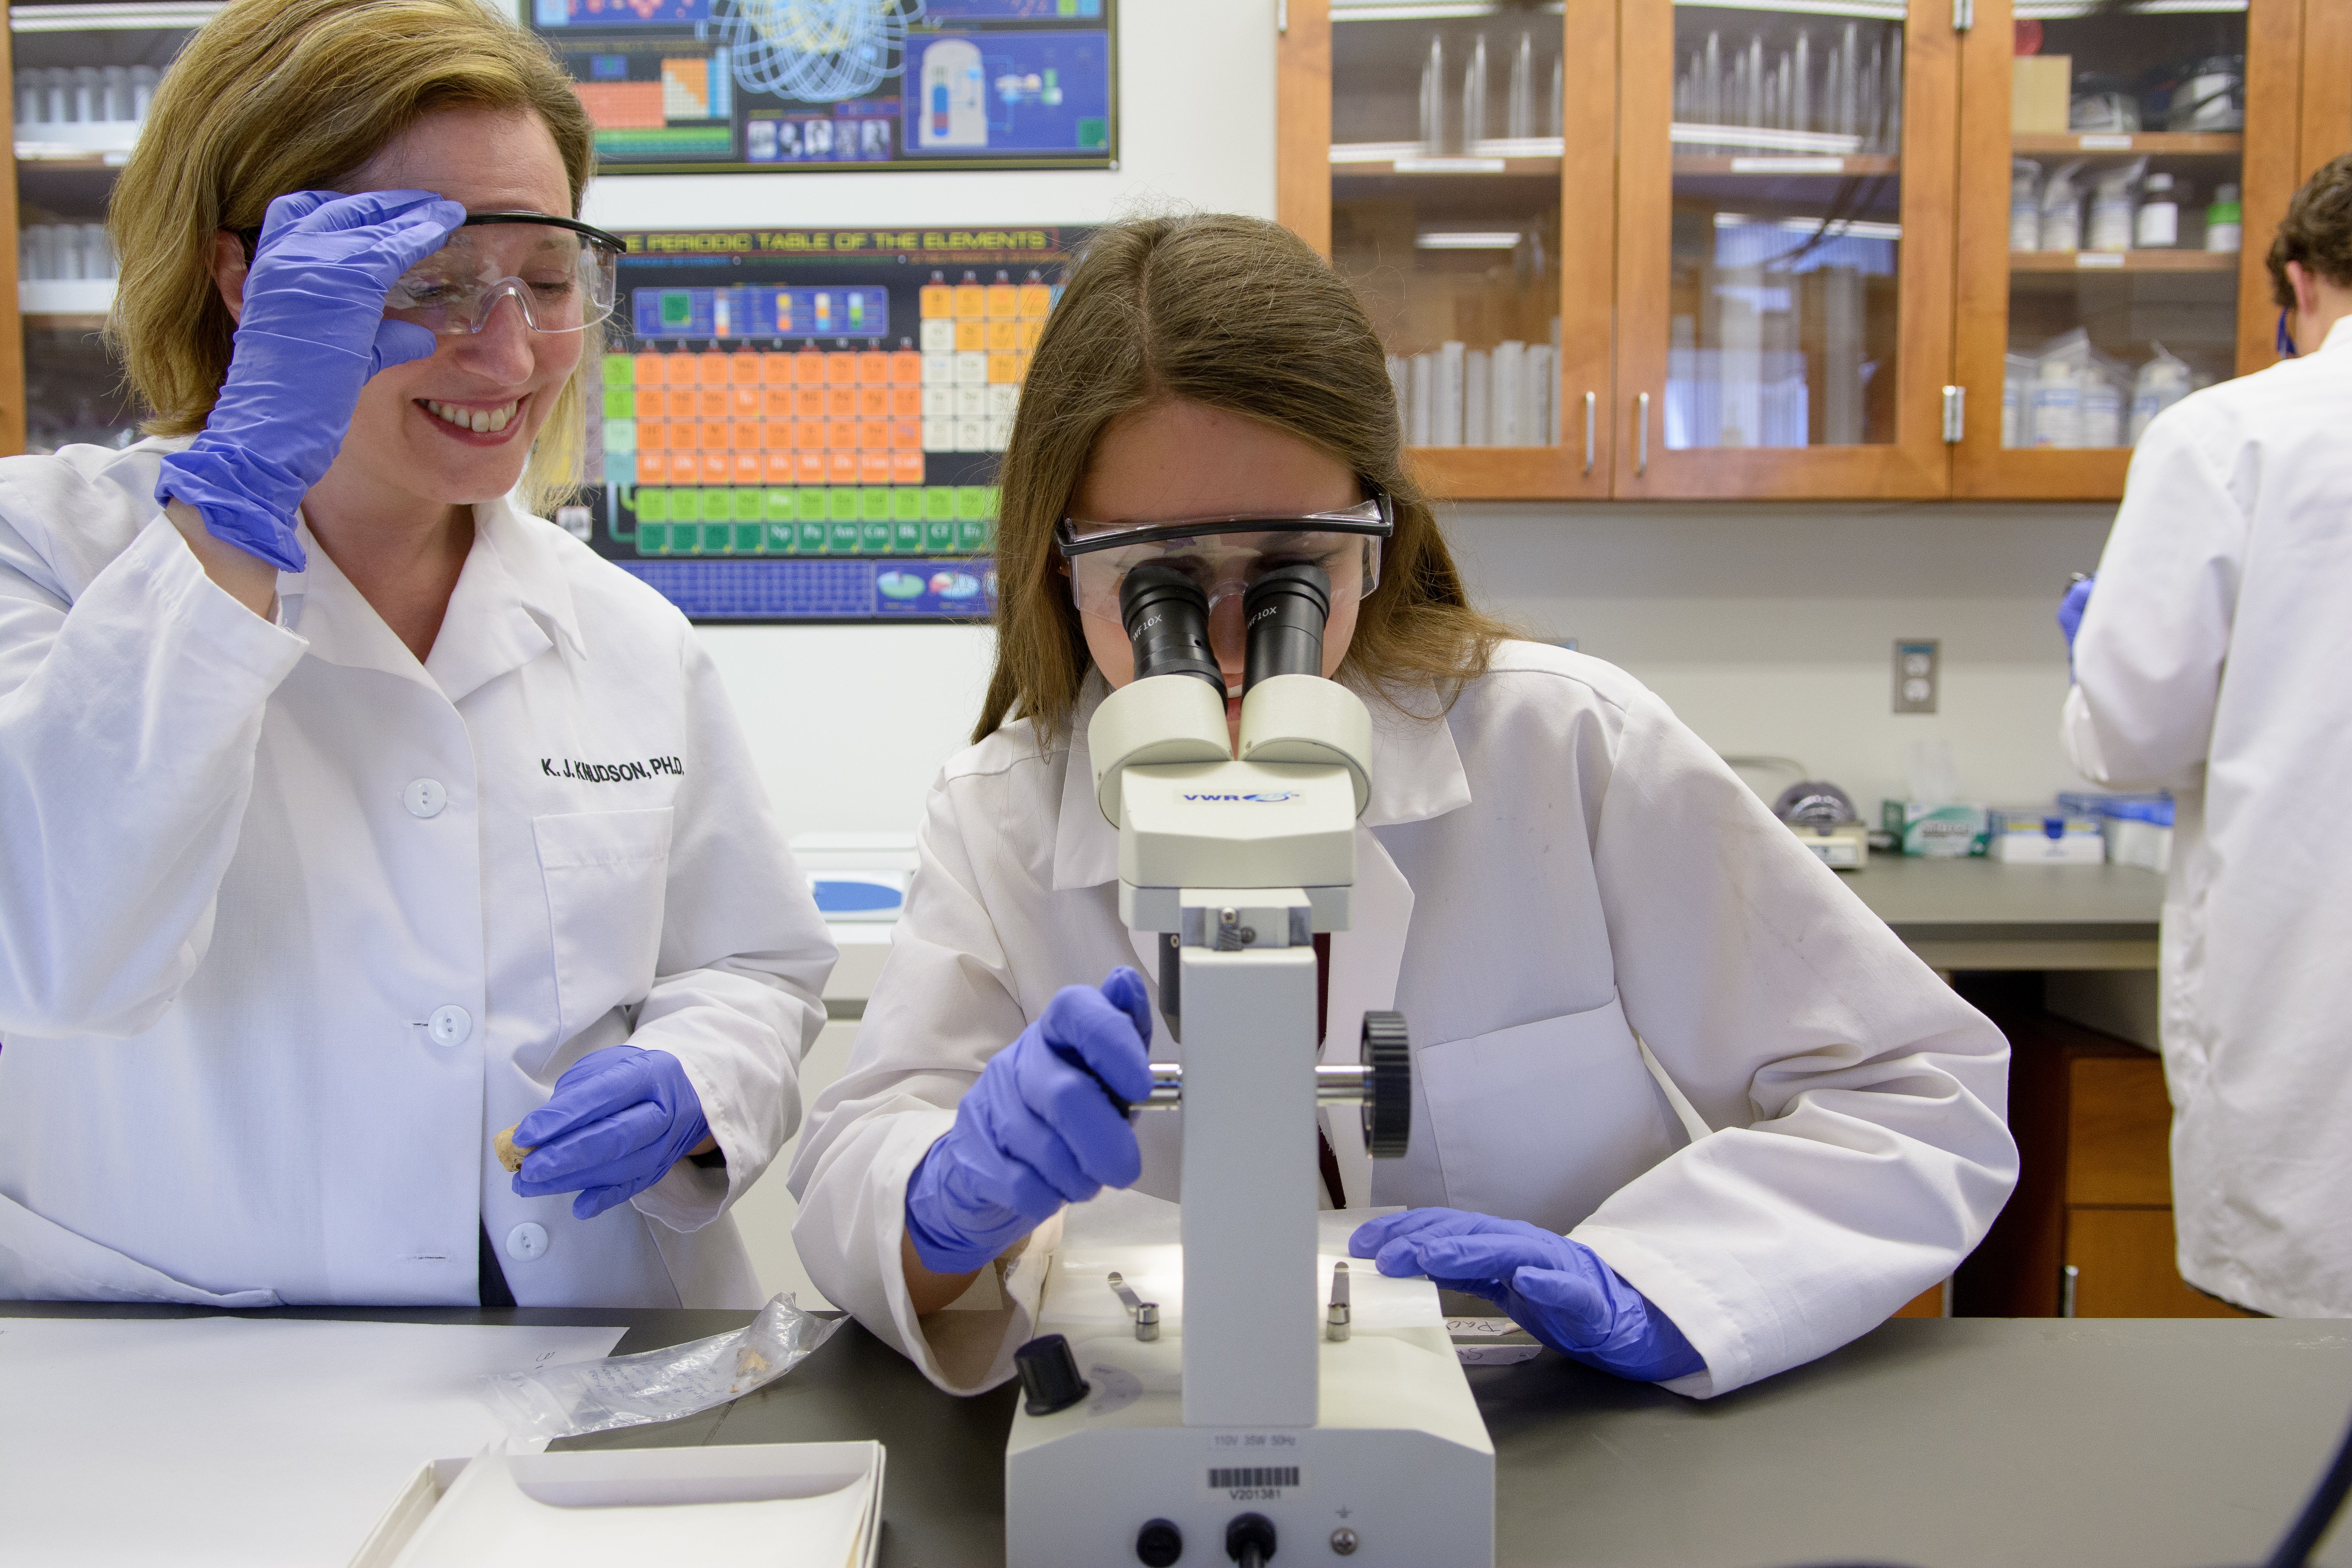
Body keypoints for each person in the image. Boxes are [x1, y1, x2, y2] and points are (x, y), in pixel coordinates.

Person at [789, 213, 2018, 1398]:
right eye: (1156, 585)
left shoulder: (1564, 745)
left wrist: (1660, 1283)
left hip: (1552, 1456)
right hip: (1158, 1427)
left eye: (1289, 579)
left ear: (1374, 540)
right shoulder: (1000, 819)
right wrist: (945, 1199)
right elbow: (851, 1189)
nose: (1226, 653)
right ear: (1060, 571)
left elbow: (1922, 1093)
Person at [0, 0, 833, 1309]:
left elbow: (755, 965)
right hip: (183, 1408)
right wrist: (227, 523)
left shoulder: (623, 631)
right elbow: (56, 951)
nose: (507, 355)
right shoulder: (42, 558)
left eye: (548, 284)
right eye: (433, 284)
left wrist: (698, 1076)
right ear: (246, 283)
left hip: (590, 1374)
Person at [2058, 152, 2352, 1318]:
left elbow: (2129, 742)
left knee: (2308, 1411)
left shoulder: (2238, 436)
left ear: (2298, 279)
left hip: (2313, 999)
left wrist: (2097, 662)